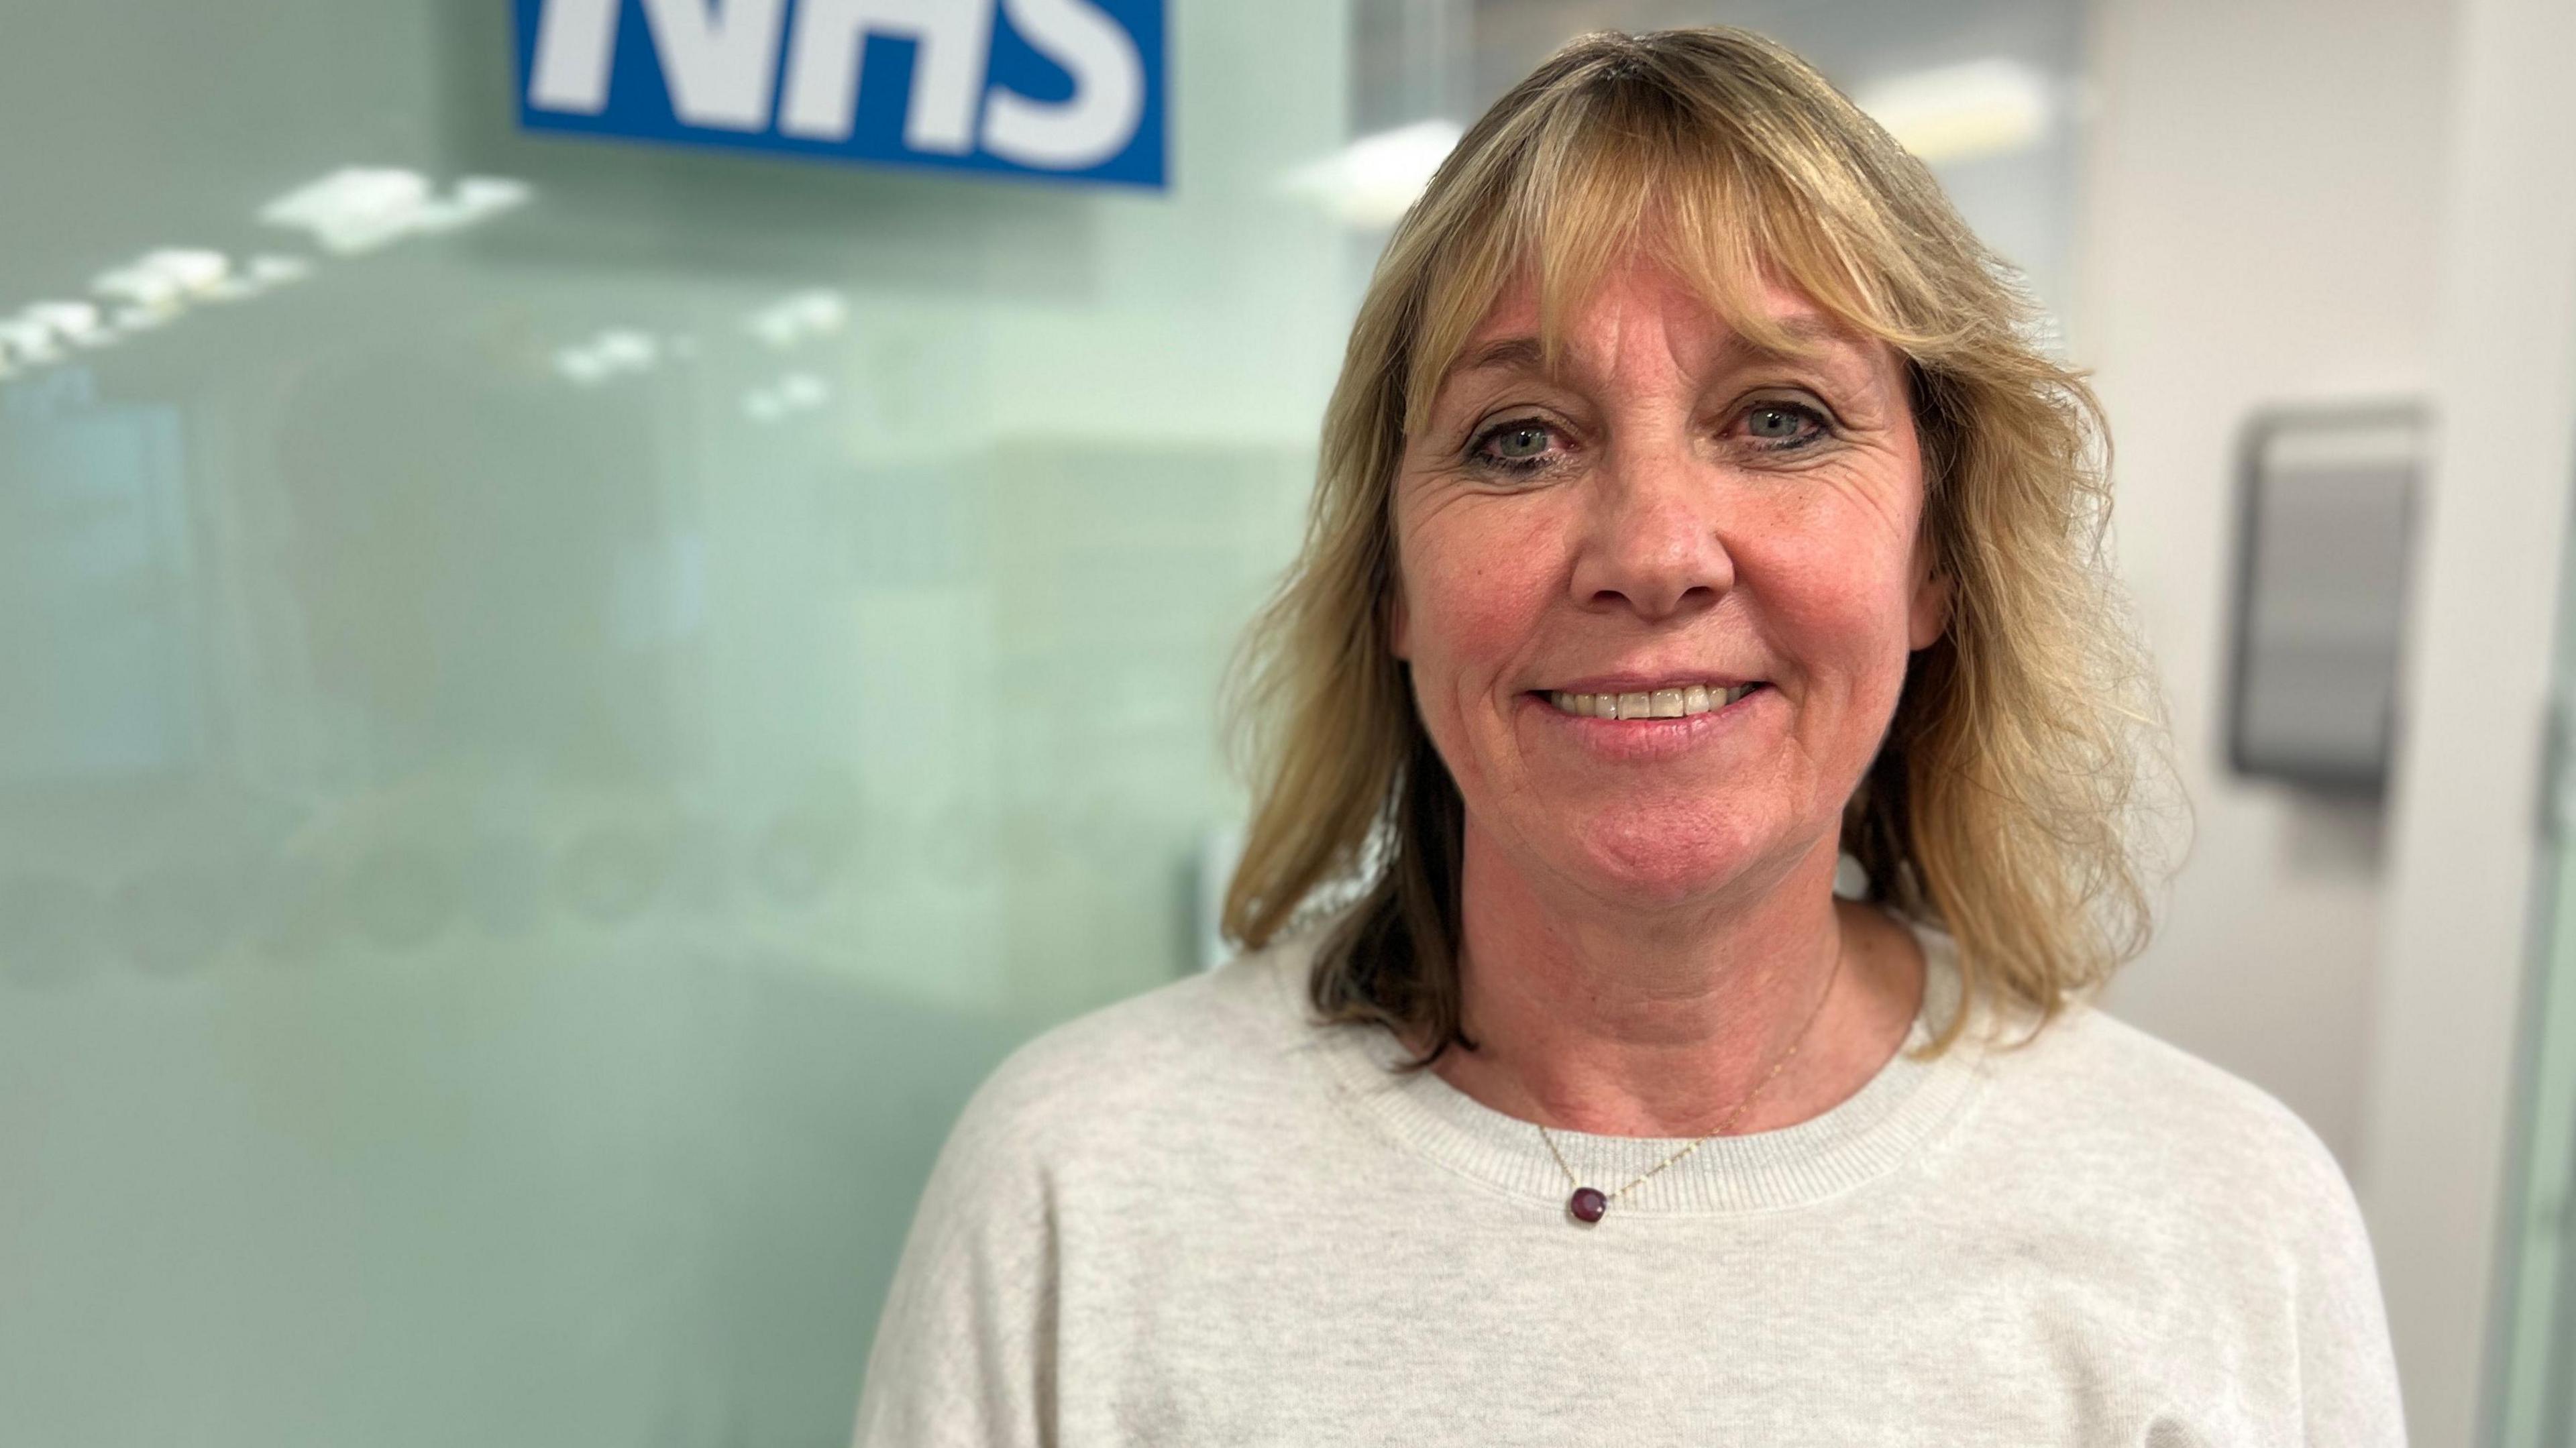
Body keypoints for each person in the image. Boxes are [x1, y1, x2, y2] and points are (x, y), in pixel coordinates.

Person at [851, 25, 2404, 1445]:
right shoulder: (1082, 1190)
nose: (1655, 549)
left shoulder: (2223, 1221)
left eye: (1780, 420)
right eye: (1519, 440)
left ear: (1936, 558)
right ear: (1393, 581)